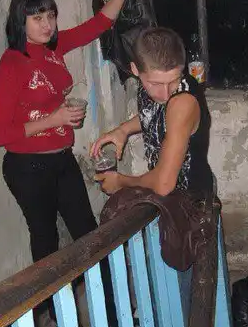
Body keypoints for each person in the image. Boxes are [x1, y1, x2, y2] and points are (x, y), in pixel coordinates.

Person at [0, 0, 150, 267]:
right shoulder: (11, 64)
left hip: (62, 159)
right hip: (27, 167)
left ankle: (108, 298)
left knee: (88, 233)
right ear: (20, 21)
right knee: (45, 239)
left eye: (51, 16)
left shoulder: (54, 47)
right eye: (38, 18)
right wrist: (55, 120)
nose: (47, 24)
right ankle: (49, 299)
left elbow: (100, 23)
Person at [90, 26, 214, 198]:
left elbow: (163, 185)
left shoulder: (182, 103)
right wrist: (123, 129)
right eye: (156, 84)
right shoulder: (149, 84)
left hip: (190, 204)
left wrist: (120, 182)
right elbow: (155, 113)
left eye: (174, 81)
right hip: (163, 199)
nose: (165, 94)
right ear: (135, 70)